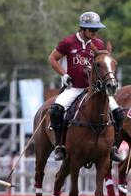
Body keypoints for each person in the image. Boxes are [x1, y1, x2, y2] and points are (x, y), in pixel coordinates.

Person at [48, 11, 124, 162]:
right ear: (82, 28)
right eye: (91, 30)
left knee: (118, 113)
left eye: (96, 30)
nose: (94, 33)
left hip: (95, 90)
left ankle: (114, 146)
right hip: (75, 87)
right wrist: (63, 74)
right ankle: (59, 145)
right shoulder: (68, 42)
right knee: (56, 111)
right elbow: (52, 59)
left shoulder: (99, 44)